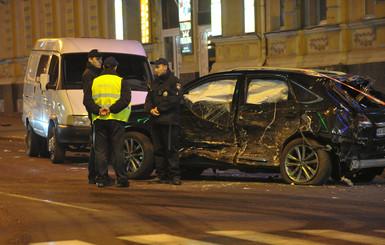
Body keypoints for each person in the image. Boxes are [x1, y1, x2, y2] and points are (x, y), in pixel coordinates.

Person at [83, 56, 131, 188]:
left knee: (101, 151)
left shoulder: (94, 81)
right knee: (118, 150)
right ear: (116, 67)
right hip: (117, 119)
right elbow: (125, 99)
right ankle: (122, 179)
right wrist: (111, 109)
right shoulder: (121, 81)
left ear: (104, 67)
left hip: (99, 120)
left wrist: (98, 110)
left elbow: (87, 100)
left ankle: (102, 179)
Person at [145, 58, 183, 185]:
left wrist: (159, 109)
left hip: (170, 121)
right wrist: (150, 109)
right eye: (155, 67)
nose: (155, 70)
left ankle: (175, 176)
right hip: (156, 121)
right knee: (158, 149)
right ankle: (161, 175)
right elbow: (148, 99)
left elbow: (174, 99)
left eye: (158, 67)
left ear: (165, 67)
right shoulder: (155, 83)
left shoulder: (174, 82)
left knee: (171, 149)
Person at [82, 49, 114, 185]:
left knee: (97, 146)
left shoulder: (94, 73)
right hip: (96, 115)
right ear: (90, 59)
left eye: (101, 59)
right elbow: (88, 98)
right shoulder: (89, 74)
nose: (100, 62)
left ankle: (94, 175)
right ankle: (95, 175)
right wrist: (97, 110)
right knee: (98, 147)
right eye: (97, 59)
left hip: (97, 113)